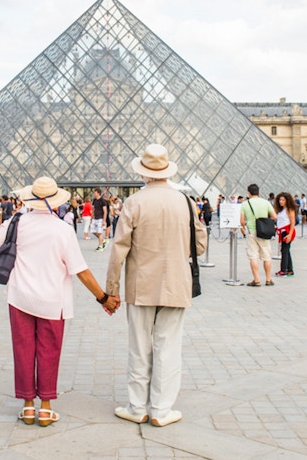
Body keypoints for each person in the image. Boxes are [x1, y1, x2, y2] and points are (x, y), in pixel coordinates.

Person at [0, 176, 120, 427]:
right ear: (56, 203)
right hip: (52, 300)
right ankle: (45, 408)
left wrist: (12, 248)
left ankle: (27, 407)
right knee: (49, 351)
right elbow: (81, 271)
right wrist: (103, 298)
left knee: (23, 350)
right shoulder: (63, 229)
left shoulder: (17, 222)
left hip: (19, 296)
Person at [105, 144, 207, 427]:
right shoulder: (186, 202)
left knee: (139, 347)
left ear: (144, 173)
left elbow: (118, 250)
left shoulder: (133, 203)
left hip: (141, 286)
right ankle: (162, 410)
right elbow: (200, 244)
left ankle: (137, 407)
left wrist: (111, 290)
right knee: (169, 347)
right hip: (177, 283)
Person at [240, 184, 277, 287]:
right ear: (258, 192)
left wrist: (247, 223)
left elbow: (242, 222)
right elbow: (274, 216)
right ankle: (268, 279)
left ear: (249, 192)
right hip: (264, 232)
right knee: (267, 256)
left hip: (252, 232)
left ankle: (256, 280)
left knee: (253, 256)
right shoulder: (266, 202)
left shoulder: (245, 204)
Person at [274, 193, 297, 276]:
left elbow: (293, 222)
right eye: (280, 200)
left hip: (287, 231)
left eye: (283, 200)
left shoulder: (289, 209)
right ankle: (290, 270)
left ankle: (284, 270)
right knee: (286, 250)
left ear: (287, 200)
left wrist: (290, 234)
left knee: (284, 250)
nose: (281, 201)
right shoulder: (281, 210)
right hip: (282, 231)